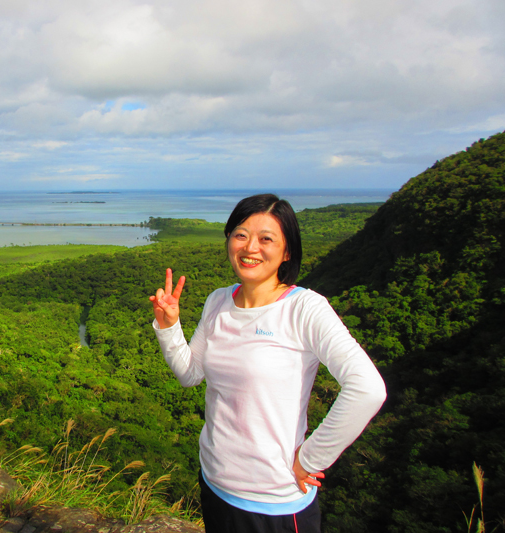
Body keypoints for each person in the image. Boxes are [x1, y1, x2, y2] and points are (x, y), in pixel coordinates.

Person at [149, 194, 386, 533]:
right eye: (241, 234)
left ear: (287, 252)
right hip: (215, 484)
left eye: (266, 239)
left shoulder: (304, 308)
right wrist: (169, 326)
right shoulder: (218, 301)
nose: (250, 248)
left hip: (274, 503)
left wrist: (310, 458)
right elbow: (190, 374)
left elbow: (368, 389)